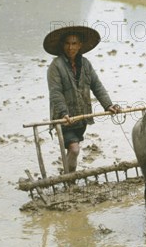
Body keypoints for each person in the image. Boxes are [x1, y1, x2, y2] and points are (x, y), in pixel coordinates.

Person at [43, 25, 120, 173]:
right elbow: (55, 92)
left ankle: (67, 173)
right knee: (74, 149)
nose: (70, 47)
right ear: (62, 45)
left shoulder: (85, 64)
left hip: (82, 116)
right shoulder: (56, 66)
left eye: (74, 44)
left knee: (74, 148)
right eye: (67, 43)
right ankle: (70, 178)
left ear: (80, 45)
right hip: (64, 118)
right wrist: (64, 112)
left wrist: (108, 105)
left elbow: (96, 85)